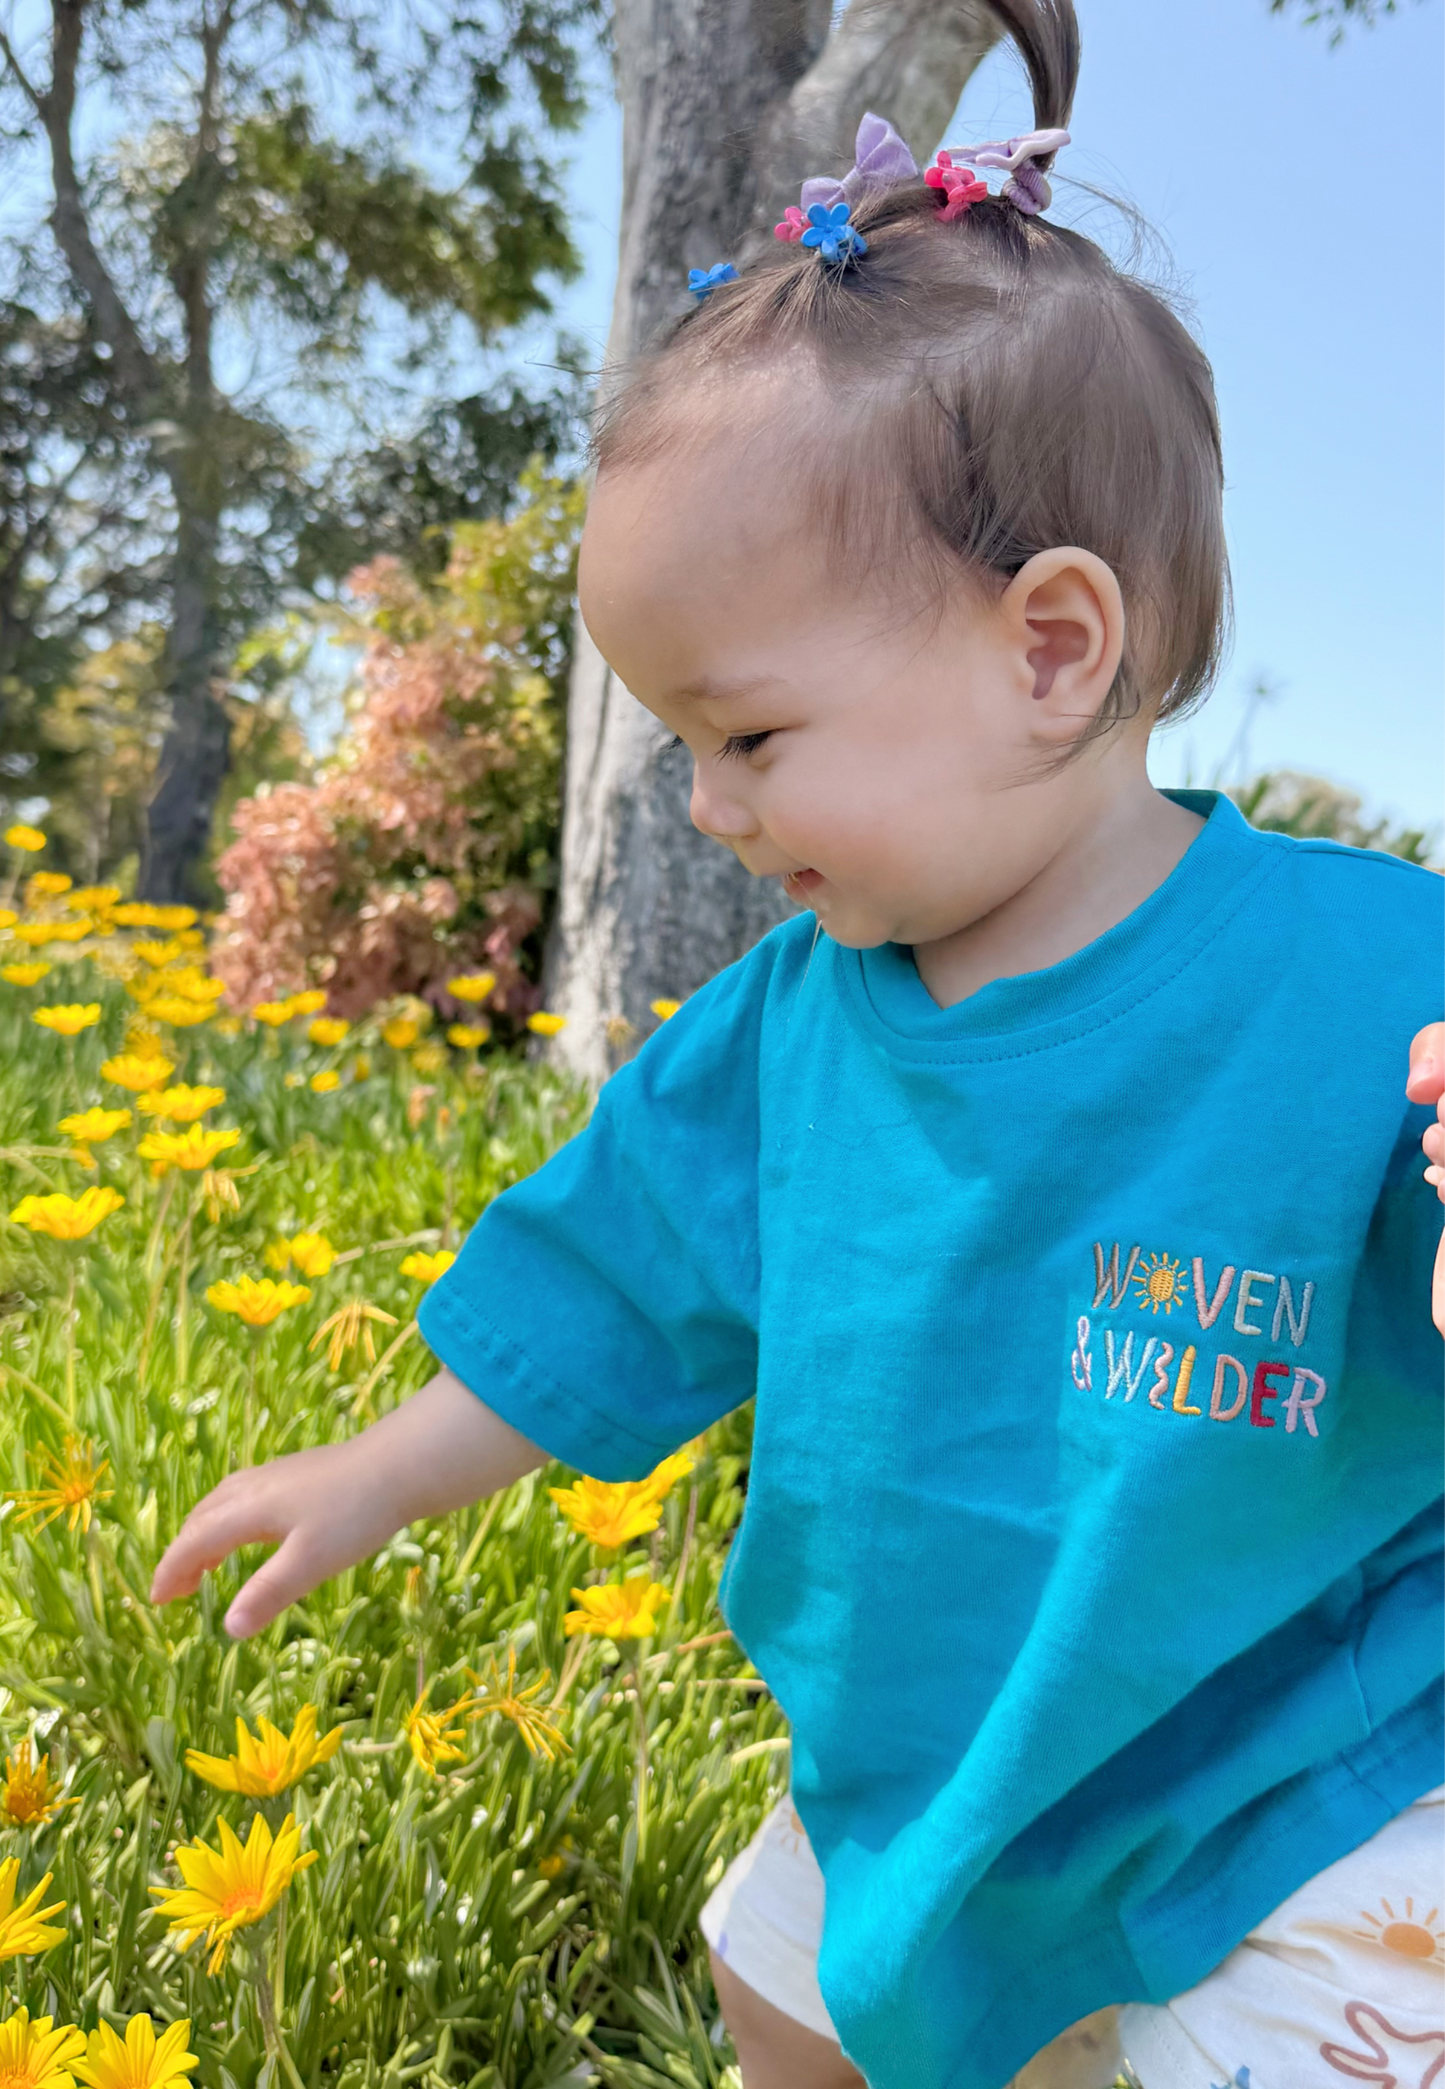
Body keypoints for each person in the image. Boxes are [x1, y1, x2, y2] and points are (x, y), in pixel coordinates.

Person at [151, 3, 1445, 2083]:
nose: (707, 811)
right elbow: (613, 1276)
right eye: (680, 747)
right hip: (930, 1755)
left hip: (1299, 1767)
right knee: (788, 2003)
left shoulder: (1371, 968)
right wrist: (377, 1474)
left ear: (1049, 647)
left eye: (746, 737)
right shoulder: (788, 1034)